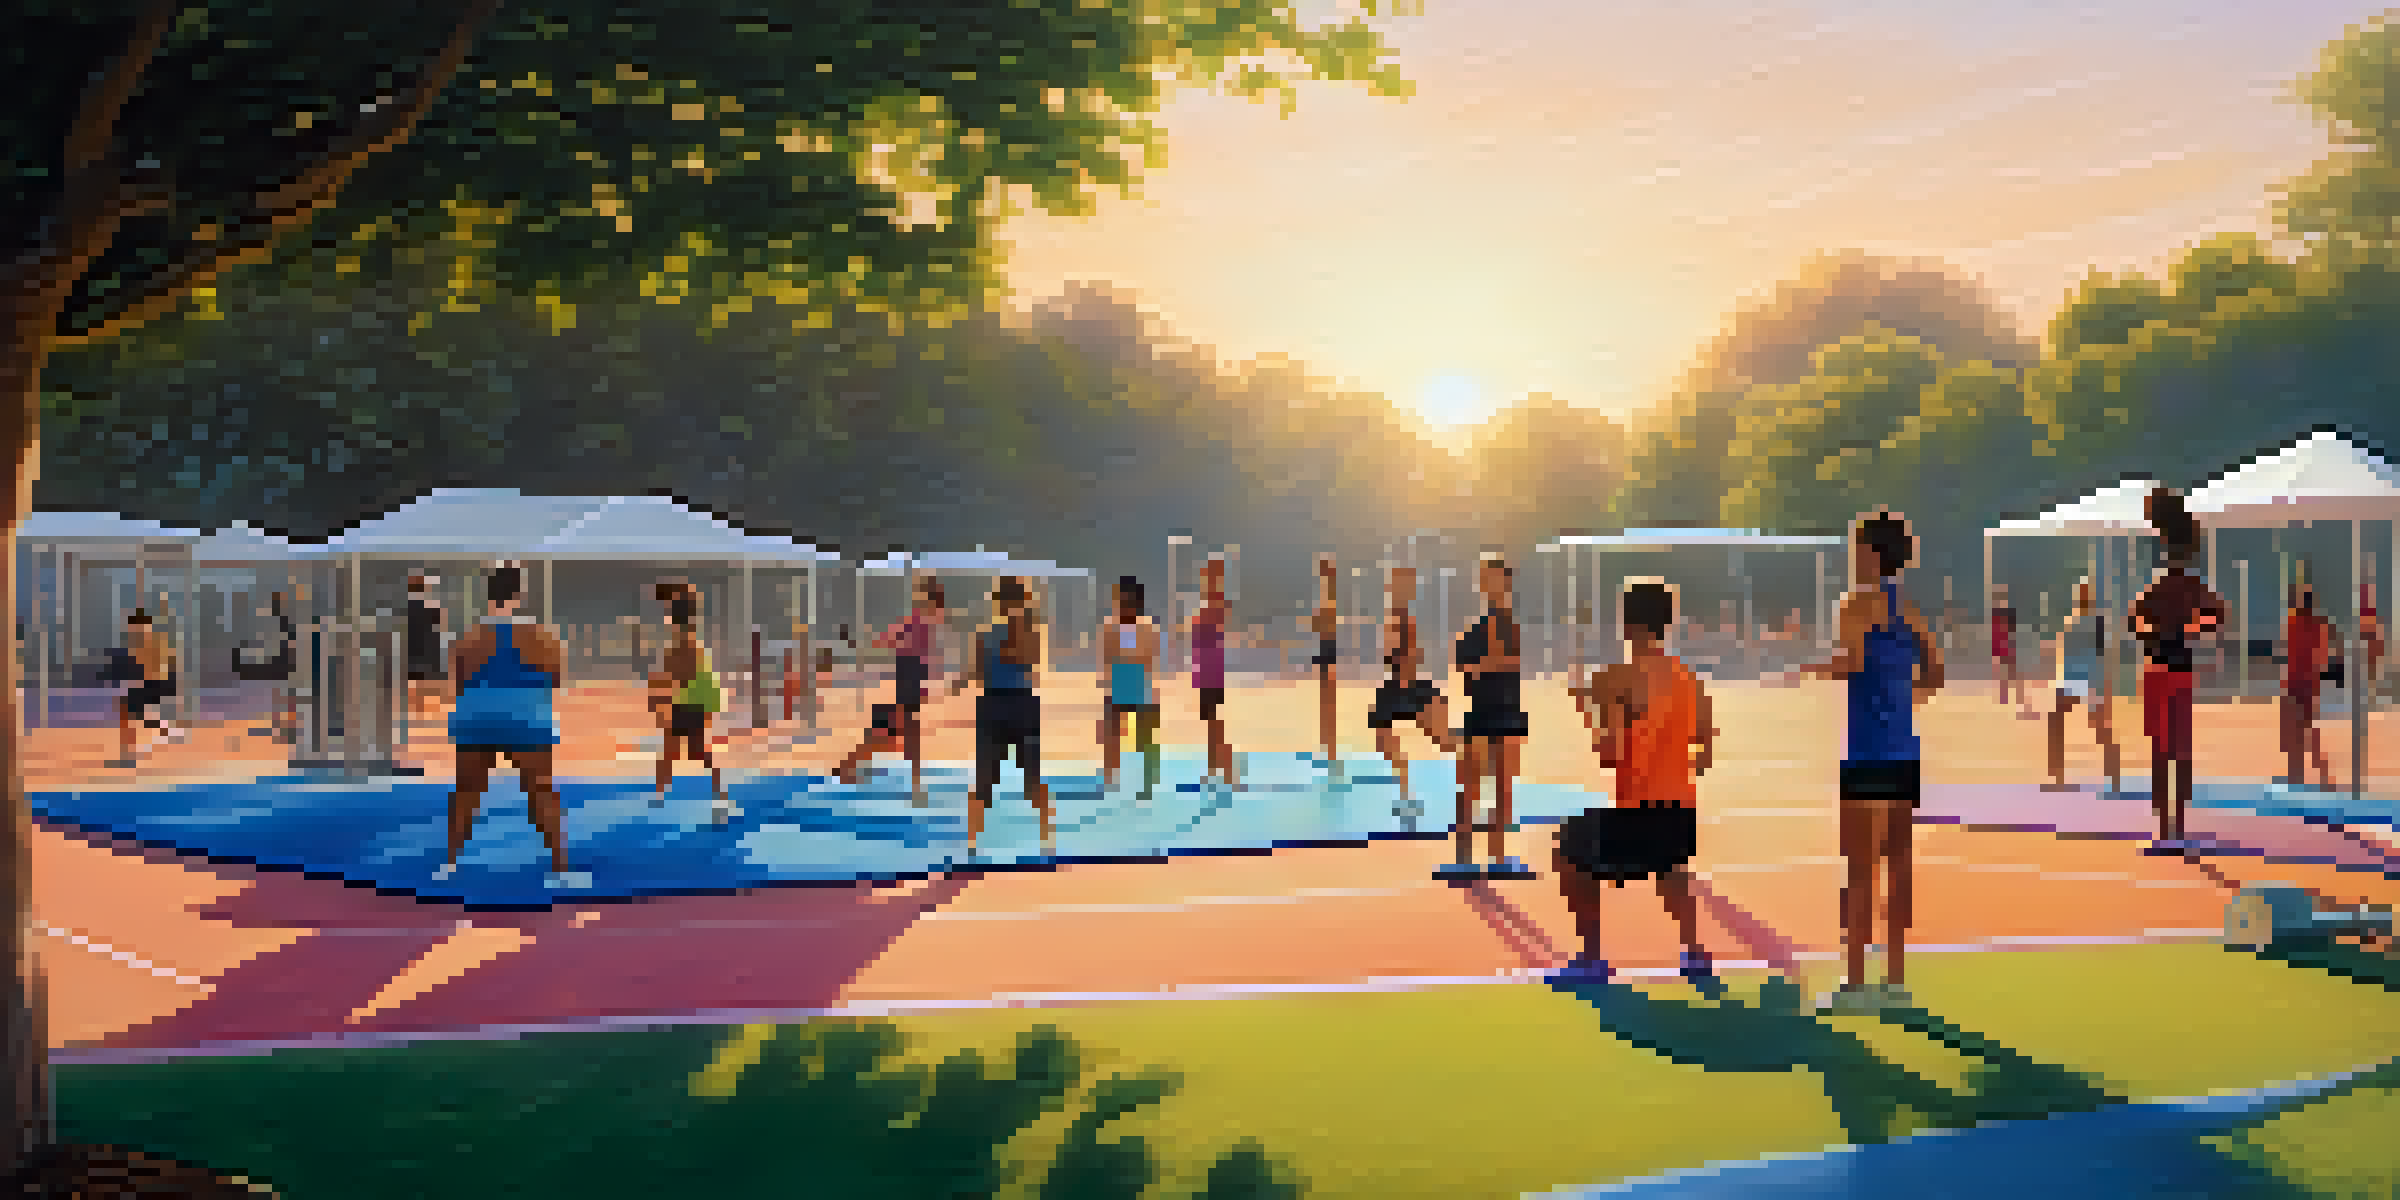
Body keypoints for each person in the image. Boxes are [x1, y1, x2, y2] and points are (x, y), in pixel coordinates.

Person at [1780, 509, 1942, 1014]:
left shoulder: (1854, 604)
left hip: (1867, 750)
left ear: (1871, 551)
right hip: (1903, 750)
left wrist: (1805, 666)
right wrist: (1903, 701)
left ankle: (1853, 985)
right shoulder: (1909, 607)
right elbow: (1936, 671)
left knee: (1859, 871)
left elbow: (1850, 662)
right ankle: (1895, 982)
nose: (1852, 555)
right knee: (1899, 866)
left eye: (1856, 546)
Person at [1552, 578, 1719, 993]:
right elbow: (1705, 747)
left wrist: (1590, 715)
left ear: (1628, 625)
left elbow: (1608, 753)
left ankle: (1591, 957)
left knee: (1568, 851)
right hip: (1680, 808)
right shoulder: (1688, 678)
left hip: (1639, 808)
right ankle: (1696, 954)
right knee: (1671, 868)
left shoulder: (1619, 678)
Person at [434, 563, 583, 889]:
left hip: (476, 717)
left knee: (466, 791)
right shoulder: (541, 636)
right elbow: (556, 679)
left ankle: (450, 863)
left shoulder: (468, 637)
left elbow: (457, 683)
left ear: (487, 594)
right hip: (526, 716)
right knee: (541, 791)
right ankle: (560, 869)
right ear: (520, 594)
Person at [2129, 488, 2226, 848]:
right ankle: (2177, 829)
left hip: (2159, 669)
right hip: (2181, 669)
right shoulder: (2189, 585)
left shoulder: (2161, 585)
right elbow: (2219, 613)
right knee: (2180, 751)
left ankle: (2165, 831)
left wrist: (2151, 633)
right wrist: (2192, 629)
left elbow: (2133, 619)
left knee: (2161, 752)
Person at [948, 576, 1054, 861]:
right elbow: (978, 669)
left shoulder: (1026, 631)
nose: (1004, 606)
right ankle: (972, 843)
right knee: (987, 779)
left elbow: (1024, 659)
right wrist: (960, 681)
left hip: (1016, 704)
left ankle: (1047, 837)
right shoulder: (989, 634)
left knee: (1029, 778)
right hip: (998, 704)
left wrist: (1017, 626)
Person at [1444, 553, 1532, 880]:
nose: (1492, 586)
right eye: (1486, 580)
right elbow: (1466, 668)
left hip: (1508, 713)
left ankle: (1498, 856)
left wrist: (1483, 666)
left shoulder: (1511, 627)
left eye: (1497, 580)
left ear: (1506, 585)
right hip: (1480, 712)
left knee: (1503, 788)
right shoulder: (1474, 630)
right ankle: (1463, 856)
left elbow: (1506, 663)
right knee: (1469, 786)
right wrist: (1482, 665)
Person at [835, 575, 945, 800]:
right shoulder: (920, 623)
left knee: (899, 735)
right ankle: (851, 767)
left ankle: (853, 768)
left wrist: (858, 642)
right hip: (909, 686)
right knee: (894, 734)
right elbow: (892, 643)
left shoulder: (923, 623)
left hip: (910, 686)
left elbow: (890, 642)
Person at [1368, 564, 1457, 807]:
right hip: (1398, 686)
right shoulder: (1395, 617)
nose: (1394, 589)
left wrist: (1406, 670)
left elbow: (1412, 653)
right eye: (1394, 585)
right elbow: (1399, 653)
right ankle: (1405, 791)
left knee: (1443, 739)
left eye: (1400, 585)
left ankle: (1478, 763)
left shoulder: (1404, 619)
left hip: (1408, 686)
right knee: (1385, 738)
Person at [648, 581, 732, 820]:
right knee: (679, 748)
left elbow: (680, 673)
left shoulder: (684, 640)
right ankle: (662, 794)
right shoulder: (685, 637)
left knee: (688, 749)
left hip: (693, 700)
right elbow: (678, 673)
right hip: (695, 699)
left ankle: (716, 792)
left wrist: (660, 694)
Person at [2042, 577, 2121, 795]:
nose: (2082, 596)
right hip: (2070, 680)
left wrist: (2103, 686)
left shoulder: (2097, 623)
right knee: (2055, 722)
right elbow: (2065, 650)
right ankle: (2057, 777)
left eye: (2086, 592)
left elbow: (2105, 656)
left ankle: (2114, 777)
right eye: (2081, 592)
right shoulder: (2072, 619)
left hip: (2090, 680)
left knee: (2101, 728)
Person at [1099, 575, 1163, 794]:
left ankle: (1150, 777)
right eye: (1120, 599)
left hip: (1140, 683)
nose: (1123, 605)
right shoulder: (1111, 626)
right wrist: (1108, 683)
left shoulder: (1146, 626)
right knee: (1112, 733)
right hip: (1119, 683)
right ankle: (1110, 776)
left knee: (1144, 736)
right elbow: (1108, 656)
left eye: (1126, 600)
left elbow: (1149, 657)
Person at [2280, 573, 2338, 791]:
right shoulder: (2317, 625)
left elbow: (2289, 652)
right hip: (2309, 684)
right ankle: (2321, 776)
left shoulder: (2293, 622)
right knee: (2308, 732)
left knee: (2295, 734)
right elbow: (2322, 656)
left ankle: (2296, 776)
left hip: (2295, 683)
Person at [1190, 555, 1237, 788]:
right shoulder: (1209, 607)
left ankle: (1225, 768)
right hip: (1206, 672)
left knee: (1214, 723)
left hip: (1212, 673)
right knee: (1211, 723)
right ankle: (1215, 768)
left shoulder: (1216, 607)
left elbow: (1209, 634)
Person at [112, 609, 182, 766]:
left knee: (128, 710)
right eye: (132, 629)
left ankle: (129, 754)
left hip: (160, 684)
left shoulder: (154, 642)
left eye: (136, 628)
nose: (133, 632)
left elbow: (159, 668)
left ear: (146, 626)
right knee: (130, 711)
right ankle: (161, 727)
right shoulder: (139, 644)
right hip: (155, 684)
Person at [404, 573, 447, 733]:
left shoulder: (407, 610)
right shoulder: (431, 607)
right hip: (429, 656)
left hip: (413, 655)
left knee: (415, 689)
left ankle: (416, 721)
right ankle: (428, 722)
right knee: (428, 691)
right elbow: (439, 627)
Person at [1310, 554, 1340, 768]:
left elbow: (1322, 625)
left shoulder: (1327, 602)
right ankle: (1328, 747)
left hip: (1328, 654)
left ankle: (1329, 749)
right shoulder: (1325, 601)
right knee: (1326, 705)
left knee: (1327, 705)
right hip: (1325, 652)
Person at [1991, 584, 2032, 716]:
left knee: (2016, 675)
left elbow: (2013, 633)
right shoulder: (1994, 615)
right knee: (2003, 676)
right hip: (2000, 649)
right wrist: (1995, 653)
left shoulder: (2009, 613)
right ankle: (2005, 699)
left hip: (2010, 648)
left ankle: (2019, 701)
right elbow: (1994, 635)